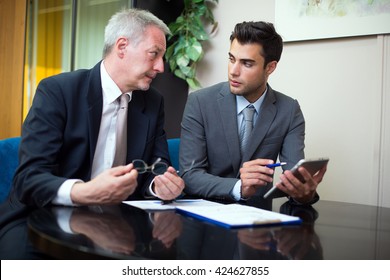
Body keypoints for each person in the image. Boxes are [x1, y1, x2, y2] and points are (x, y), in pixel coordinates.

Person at [0, 8, 184, 258]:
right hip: (38, 216)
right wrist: (85, 192)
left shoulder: (152, 102)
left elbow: (159, 164)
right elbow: (28, 180)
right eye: (154, 54)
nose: (161, 67)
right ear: (122, 47)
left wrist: (159, 185)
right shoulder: (58, 92)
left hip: (117, 222)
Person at [179, 21, 327, 206]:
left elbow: (294, 179)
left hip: (259, 222)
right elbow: (189, 176)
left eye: (247, 64)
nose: (233, 71)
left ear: (270, 67)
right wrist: (239, 187)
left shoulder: (289, 110)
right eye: (232, 59)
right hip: (205, 217)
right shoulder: (199, 102)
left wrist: (304, 194)